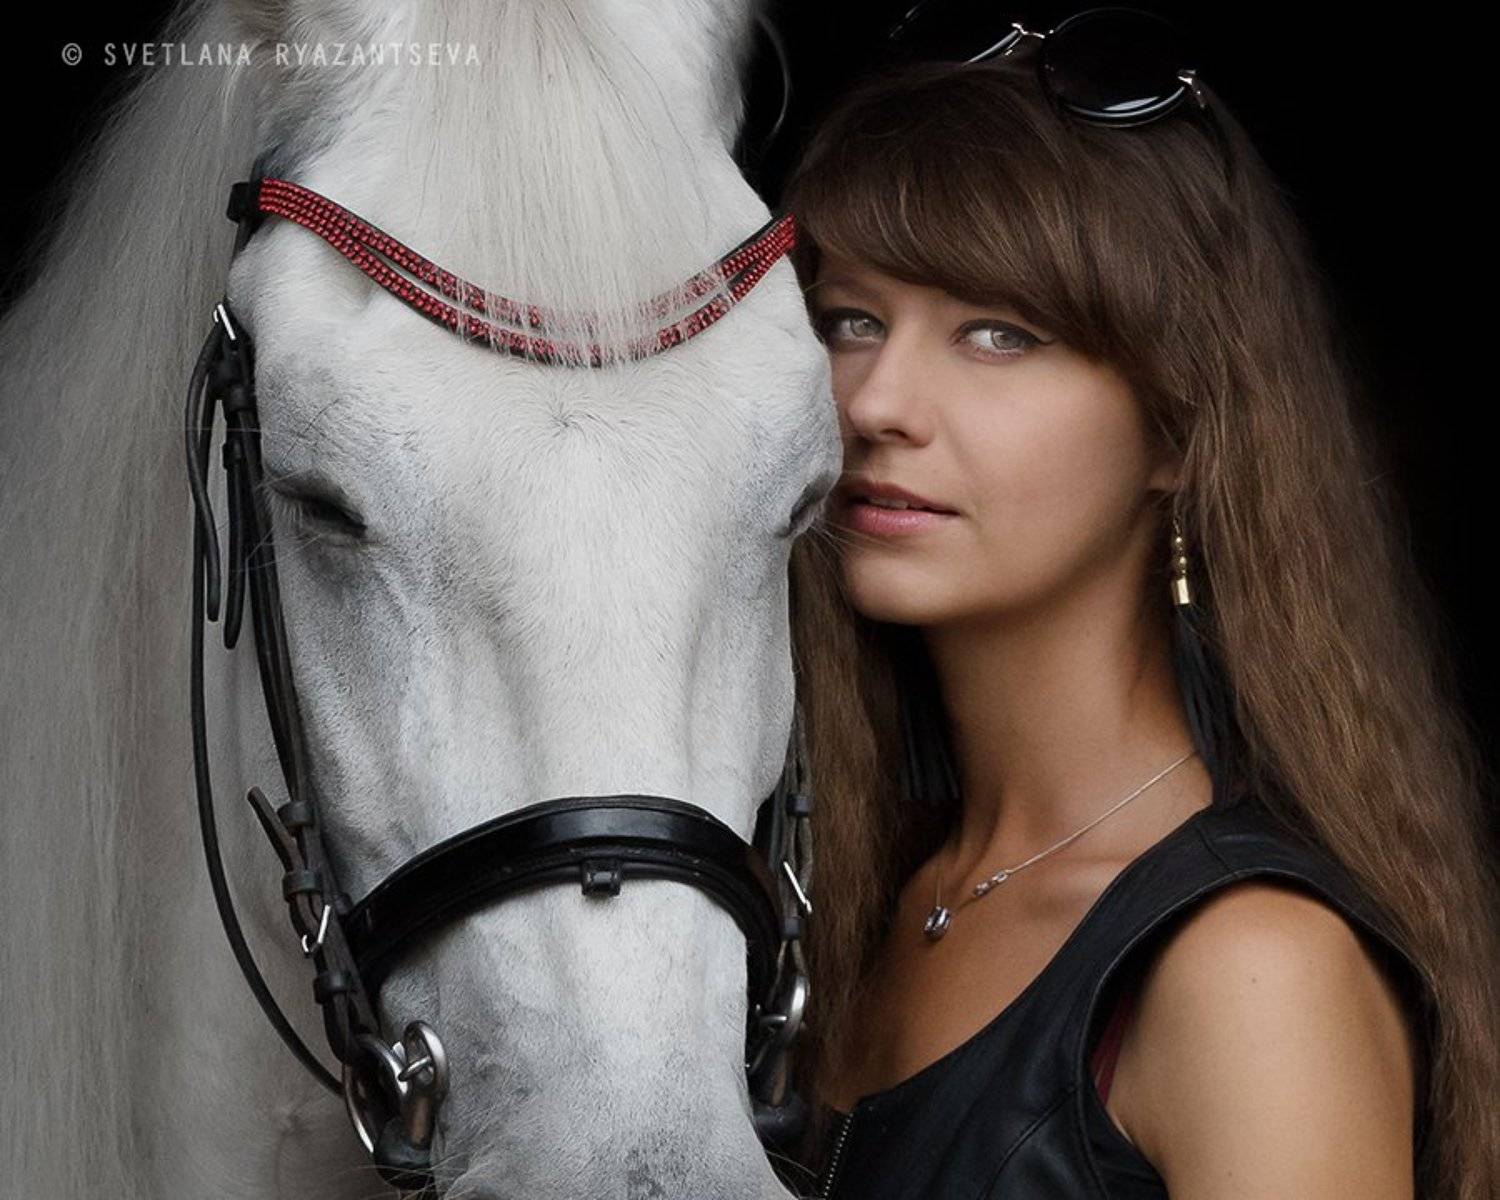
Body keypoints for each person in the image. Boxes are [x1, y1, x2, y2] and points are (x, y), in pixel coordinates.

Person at [773, 11, 1500, 1200]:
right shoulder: (830, 900)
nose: (876, 400)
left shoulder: (1250, 971)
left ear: (1176, 429)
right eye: (852, 319)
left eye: (997, 333)